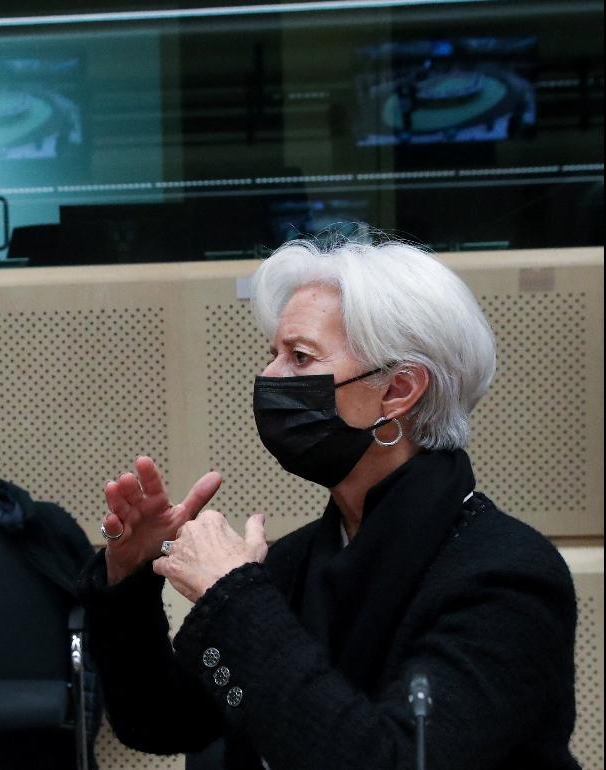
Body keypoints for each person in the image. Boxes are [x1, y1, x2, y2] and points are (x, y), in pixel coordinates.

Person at [80, 237, 580, 770]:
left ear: (397, 391)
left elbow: (391, 759)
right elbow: (161, 721)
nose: (269, 378)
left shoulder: (506, 576)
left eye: (299, 357)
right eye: (272, 355)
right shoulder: (295, 564)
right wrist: (129, 579)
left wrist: (233, 597)